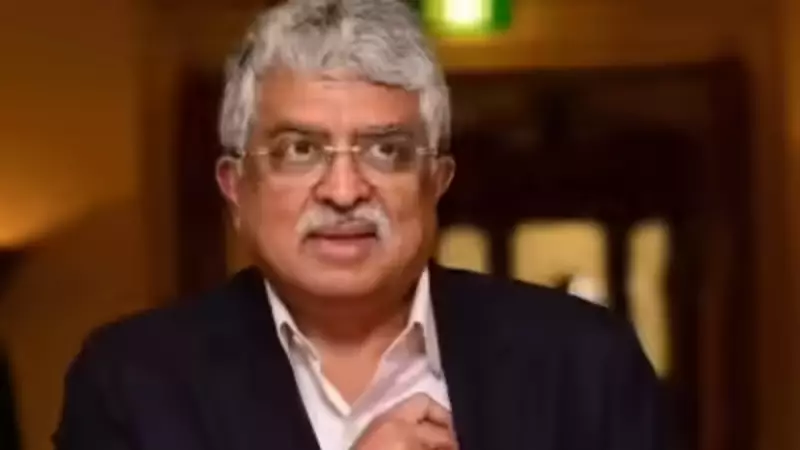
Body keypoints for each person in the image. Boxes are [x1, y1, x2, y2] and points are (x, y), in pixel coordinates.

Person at [54, 0, 665, 449]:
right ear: (236, 188)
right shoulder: (131, 385)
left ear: (436, 182)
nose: (344, 192)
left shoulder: (584, 364)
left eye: (386, 150)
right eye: (300, 150)